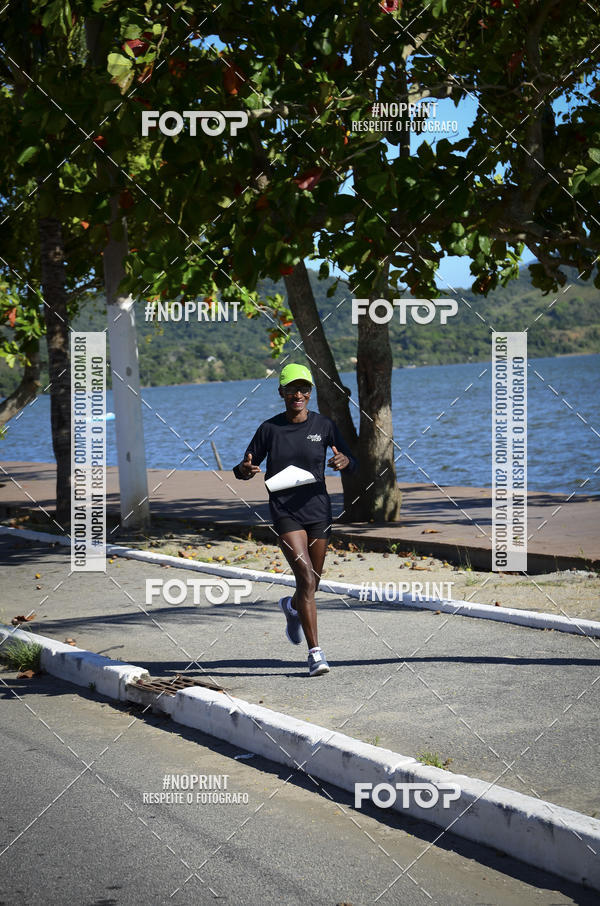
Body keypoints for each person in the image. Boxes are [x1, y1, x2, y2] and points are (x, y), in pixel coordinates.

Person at [233, 364, 357, 676]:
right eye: (291, 389)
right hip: (284, 510)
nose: (297, 394)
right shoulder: (269, 429)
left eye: (303, 389)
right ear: (281, 393)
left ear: (310, 393)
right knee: (304, 575)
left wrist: (345, 460)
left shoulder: (324, 425)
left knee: (313, 581)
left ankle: (291, 607)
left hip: (318, 510)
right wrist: (245, 470)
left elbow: (350, 459)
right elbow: (244, 466)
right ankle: (315, 653)